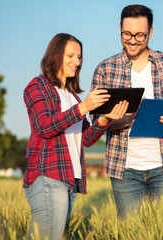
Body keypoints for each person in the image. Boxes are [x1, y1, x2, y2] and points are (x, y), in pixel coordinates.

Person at [91, 4, 163, 219]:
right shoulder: (105, 69)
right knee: (131, 233)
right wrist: (114, 119)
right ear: (119, 28)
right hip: (124, 171)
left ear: (150, 33)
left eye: (139, 35)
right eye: (127, 34)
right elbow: (95, 121)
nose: (132, 40)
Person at [23, 33, 129, 240]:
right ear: (55, 55)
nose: (77, 62)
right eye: (70, 56)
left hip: (71, 181)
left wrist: (104, 120)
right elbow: (44, 126)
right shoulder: (38, 86)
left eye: (79, 57)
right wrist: (84, 108)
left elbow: (87, 140)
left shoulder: (72, 97)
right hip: (48, 177)